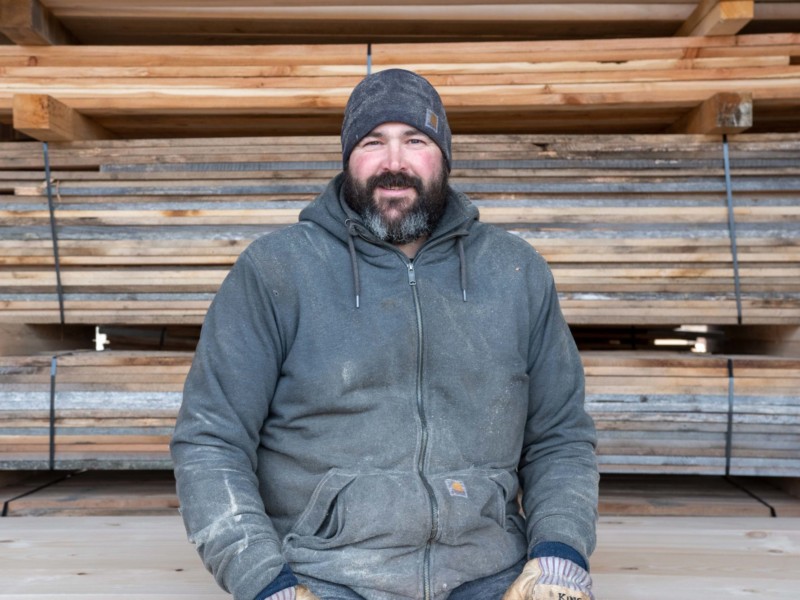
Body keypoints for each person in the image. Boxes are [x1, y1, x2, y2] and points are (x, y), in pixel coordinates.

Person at [170, 68, 599, 600]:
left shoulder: (515, 271)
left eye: (415, 141)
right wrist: (265, 582)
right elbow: (211, 442)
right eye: (374, 143)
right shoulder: (276, 271)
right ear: (349, 158)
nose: (394, 163)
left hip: (491, 575)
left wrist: (559, 556)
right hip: (321, 576)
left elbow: (560, 437)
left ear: (443, 156)